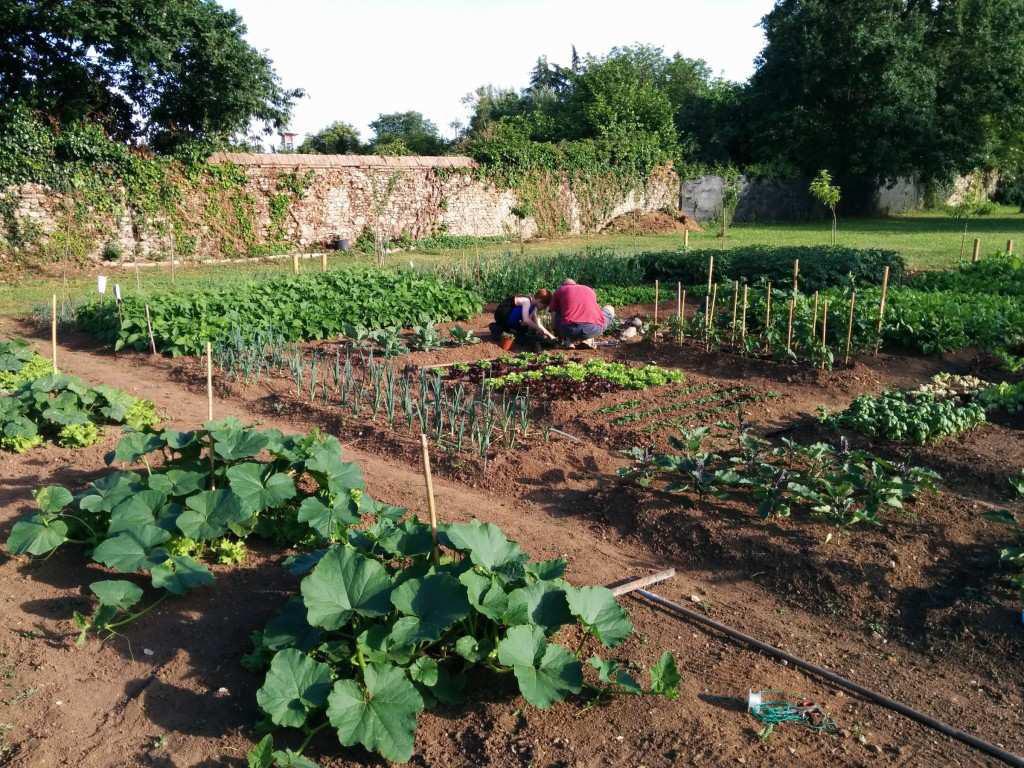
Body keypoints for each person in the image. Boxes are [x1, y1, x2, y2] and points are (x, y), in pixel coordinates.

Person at [548, 279, 615, 348]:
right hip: (594, 328)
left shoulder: (560, 290)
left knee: (558, 310)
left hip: (569, 330)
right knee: (610, 308)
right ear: (576, 284)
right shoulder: (589, 290)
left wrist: (556, 332)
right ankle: (588, 339)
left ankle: (568, 340)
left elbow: (553, 315)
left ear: (562, 285)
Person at [490, 289, 555, 341]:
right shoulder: (526, 301)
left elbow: (537, 323)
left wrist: (550, 335)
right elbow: (526, 320)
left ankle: (507, 329)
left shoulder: (534, 307)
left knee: (526, 326)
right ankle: (499, 327)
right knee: (527, 321)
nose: (543, 309)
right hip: (502, 314)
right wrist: (538, 329)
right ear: (539, 300)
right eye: (544, 306)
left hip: (509, 316)